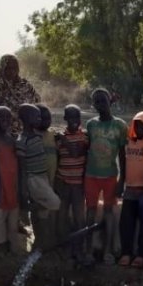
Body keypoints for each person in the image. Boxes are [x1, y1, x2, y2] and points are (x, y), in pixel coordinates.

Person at [84, 89, 127, 264]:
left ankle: (108, 250)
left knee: (109, 211)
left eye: (103, 101)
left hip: (110, 175)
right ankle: (88, 250)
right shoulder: (91, 125)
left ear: (110, 101)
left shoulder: (120, 126)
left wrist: (122, 180)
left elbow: (123, 155)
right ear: (93, 104)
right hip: (91, 175)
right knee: (90, 211)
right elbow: (86, 150)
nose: (100, 105)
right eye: (96, 102)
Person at [17, 104, 61, 252]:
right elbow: (22, 168)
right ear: (27, 119)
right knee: (55, 203)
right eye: (37, 117)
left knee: (42, 213)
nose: (40, 119)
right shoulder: (22, 140)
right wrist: (24, 191)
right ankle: (29, 207)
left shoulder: (37, 136)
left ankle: (41, 242)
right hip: (34, 178)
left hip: (43, 177)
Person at [119, 111, 143, 268]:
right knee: (126, 223)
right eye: (136, 125)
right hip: (129, 189)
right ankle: (126, 253)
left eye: (142, 126)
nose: (139, 129)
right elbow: (123, 165)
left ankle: (141, 254)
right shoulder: (128, 142)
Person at [56, 105, 89, 261]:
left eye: (76, 117)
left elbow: (76, 153)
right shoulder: (59, 138)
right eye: (70, 118)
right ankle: (66, 247)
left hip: (77, 184)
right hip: (63, 182)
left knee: (79, 218)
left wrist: (63, 140)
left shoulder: (83, 137)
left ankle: (79, 248)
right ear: (65, 119)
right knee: (61, 217)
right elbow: (57, 159)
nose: (74, 121)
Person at [0, 106, 22, 254]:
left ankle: (12, 246)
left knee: (12, 218)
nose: (6, 121)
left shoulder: (12, 138)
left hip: (12, 182)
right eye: (1, 118)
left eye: (8, 118)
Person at [0, 55, 41, 134]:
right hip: (4, 128)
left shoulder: (24, 83)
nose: (12, 71)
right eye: (8, 68)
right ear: (2, 68)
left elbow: (37, 100)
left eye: (14, 68)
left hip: (25, 127)